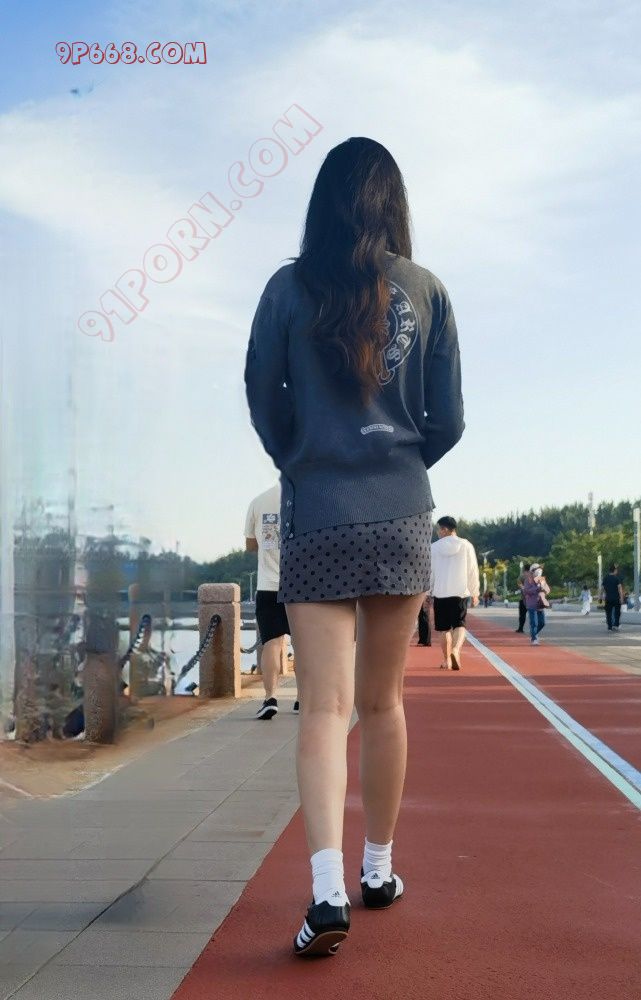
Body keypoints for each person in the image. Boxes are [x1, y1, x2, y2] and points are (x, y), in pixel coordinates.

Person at [245, 137, 465, 957]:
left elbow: (260, 390)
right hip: (401, 513)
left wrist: (301, 456)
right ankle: (379, 870)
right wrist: (399, 463)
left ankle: (326, 893)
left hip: (318, 512)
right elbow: (449, 418)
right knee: (383, 705)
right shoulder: (427, 289)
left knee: (325, 709)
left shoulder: (287, 288)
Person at [245, 483, 295, 719]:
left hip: (268, 586)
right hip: (300, 585)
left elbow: (250, 545)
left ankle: (270, 698)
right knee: (303, 645)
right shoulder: (307, 497)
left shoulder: (258, 501)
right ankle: (302, 698)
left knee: (271, 644)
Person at [430, 517, 480, 670]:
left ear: (444, 529)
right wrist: (475, 592)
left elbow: (430, 572)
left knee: (443, 629)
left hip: (440, 592)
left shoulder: (434, 547)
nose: (438, 532)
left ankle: (447, 661)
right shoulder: (466, 545)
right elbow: (472, 570)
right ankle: (456, 650)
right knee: (459, 625)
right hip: (460, 592)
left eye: (439, 529)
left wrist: (427, 592)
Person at [522, 563, 550, 644]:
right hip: (531, 604)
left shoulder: (541, 579)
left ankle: (534, 634)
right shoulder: (528, 580)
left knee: (542, 623)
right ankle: (534, 639)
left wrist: (544, 588)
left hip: (540, 604)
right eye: (536, 570)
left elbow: (548, 590)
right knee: (534, 623)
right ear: (532, 571)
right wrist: (537, 587)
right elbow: (526, 591)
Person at [601, 563, 624, 631]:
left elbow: (602, 588)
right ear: (614, 570)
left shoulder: (605, 578)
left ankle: (609, 627)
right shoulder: (617, 579)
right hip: (616, 598)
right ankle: (616, 625)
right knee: (617, 612)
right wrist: (621, 598)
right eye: (616, 570)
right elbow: (620, 589)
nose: (617, 571)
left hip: (608, 598)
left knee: (608, 613)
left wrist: (600, 597)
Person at [515, 563, 531, 632]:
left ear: (524, 569)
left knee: (522, 615)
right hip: (532, 599)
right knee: (532, 614)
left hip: (523, 599)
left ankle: (520, 628)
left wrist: (523, 588)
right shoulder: (533, 575)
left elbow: (519, 583)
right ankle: (534, 629)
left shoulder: (522, 575)